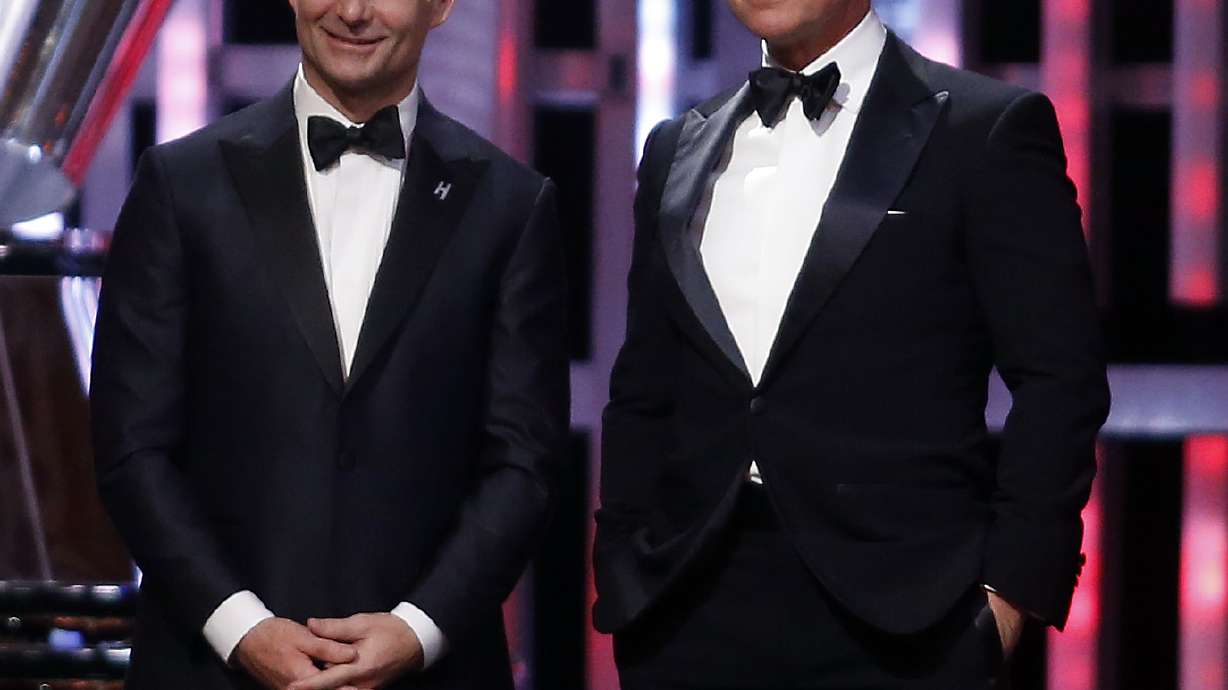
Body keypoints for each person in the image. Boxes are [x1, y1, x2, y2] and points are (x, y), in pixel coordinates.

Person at [593, 1, 1110, 688]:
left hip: (905, 621)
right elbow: (645, 386)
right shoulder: (674, 149)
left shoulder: (983, 130)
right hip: (687, 608)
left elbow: (1060, 381)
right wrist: (624, 572)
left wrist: (1009, 601)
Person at [90, 1, 569, 688]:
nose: (350, 10)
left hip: (430, 673)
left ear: (441, 6)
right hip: (211, 668)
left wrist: (418, 628)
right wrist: (241, 627)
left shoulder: (511, 207)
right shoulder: (181, 186)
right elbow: (131, 447)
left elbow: (525, 463)